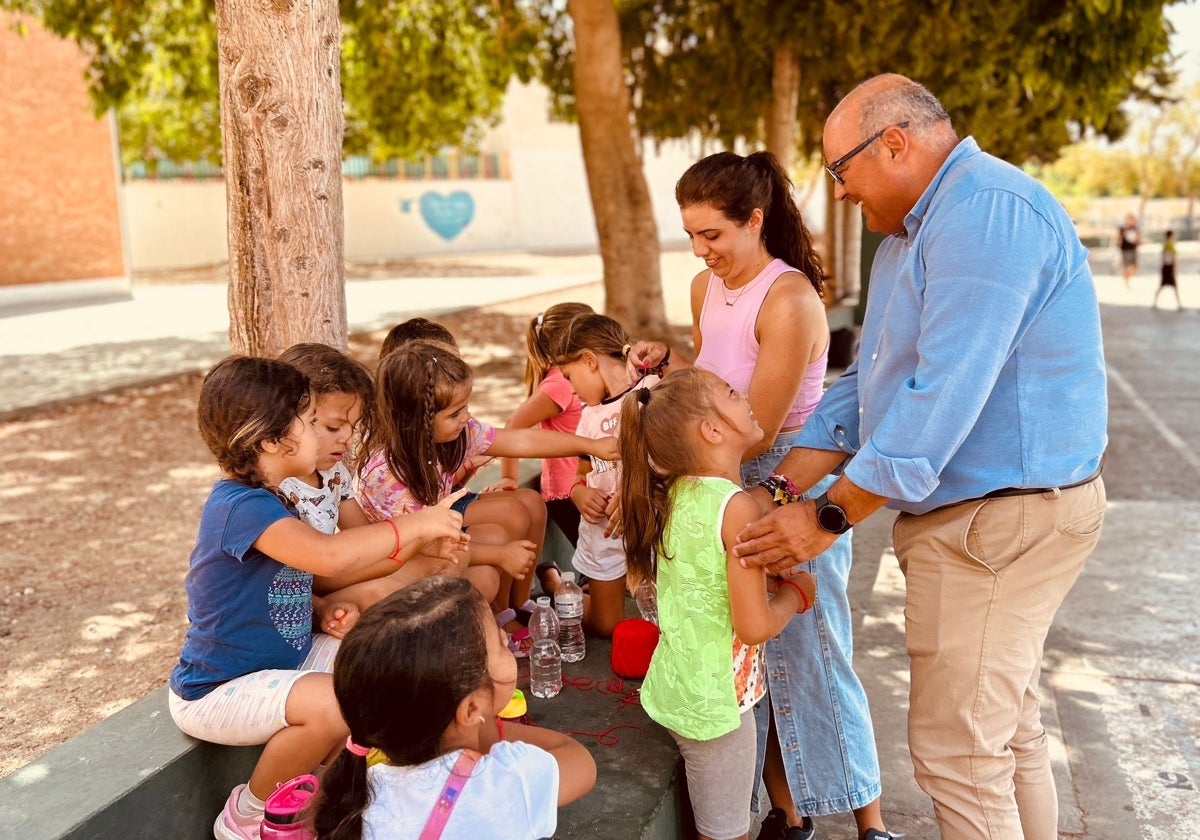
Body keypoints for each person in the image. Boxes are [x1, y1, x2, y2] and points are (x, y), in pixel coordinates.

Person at [734, 74, 1108, 840]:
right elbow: (866, 387)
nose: (838, 194)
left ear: (894, 143)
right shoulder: (911, 235)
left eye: (841, 171)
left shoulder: (982, 215)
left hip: (1000, 523)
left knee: (958, 760)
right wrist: (781, 485)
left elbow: (938, 402)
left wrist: (828, 517)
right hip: (987, 520)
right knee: (1005, 735)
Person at [628, 149, 894, 840]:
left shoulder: (791, 298)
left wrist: (656, 451)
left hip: (784, 474)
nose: (700, 249)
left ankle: (871, 819)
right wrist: (667, 368)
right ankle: (787, 811)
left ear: (754, 220)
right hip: (721, 473)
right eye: (690, 234)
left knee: (814, 654)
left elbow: (755, 426)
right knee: (749, 657)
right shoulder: (701, 287)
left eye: (712, 233)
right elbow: (713, 383)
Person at [167, 356, 466, 840]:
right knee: (331, 703)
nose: (322, 434)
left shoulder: (275, 497)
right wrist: (417, 524)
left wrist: (321, 608)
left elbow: (278, 585)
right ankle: (248, 816)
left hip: (284, 662)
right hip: (217, 689)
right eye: (309, 422)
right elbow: (327, 557)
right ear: (271, 440)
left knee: (376, 656)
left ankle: (322, 787)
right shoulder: (238, 506)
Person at [619, 368, 816, 840]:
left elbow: (705, 573)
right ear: (711, 430)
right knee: (725, 834)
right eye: (731, 392)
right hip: (717, 708)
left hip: (676, 685)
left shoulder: (679, 494)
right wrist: (794, 595)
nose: (744, 394)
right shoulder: (738, 509)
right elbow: (752, 626)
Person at [312, 575, 597, 840]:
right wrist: (488, 727)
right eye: (499, 643)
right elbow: (580, 761)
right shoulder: (508, 779)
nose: (507, 638)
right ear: (471, 710)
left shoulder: (357, 795)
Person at [355, 339, 619, 621]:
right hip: (406, 560)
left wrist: (589, 446)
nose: (467, 417)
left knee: (528, 503)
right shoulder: (388, 476)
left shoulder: (454, 433)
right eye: (456, 413)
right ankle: (500, 616)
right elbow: (423, 549)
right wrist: (499, 554)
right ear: (419, 419)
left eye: (466, 407)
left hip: (439, 524)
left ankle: (516, 607)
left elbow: (520, 440)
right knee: (492, 558)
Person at [542, 312, 662, 638]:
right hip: (604, 532)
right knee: (608, 625)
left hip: (652, 526)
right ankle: (558, 584)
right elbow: (582, 471)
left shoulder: (652, 391)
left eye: (569, 376)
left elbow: (670, 462)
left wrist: (639, 493)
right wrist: (578, 492)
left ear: (590, 361)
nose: (570, 388)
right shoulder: (588, 418)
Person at [486, 302, 595, 547]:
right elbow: (513, 426)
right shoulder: (560, 383)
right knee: (598, 563)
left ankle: (553, 575)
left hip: (586, 485)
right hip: (568, 492)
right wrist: (509, 478)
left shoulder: (581, 373)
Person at [1154, 229, 1181, 310]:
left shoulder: (1166, 245)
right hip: (1169, 268)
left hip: (1165, 267)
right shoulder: (1170, 245)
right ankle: (1179, 305)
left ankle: (1154, 303)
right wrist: (1174, 270)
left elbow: (1163, 258)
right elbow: (1173, 259)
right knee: (1173, 287)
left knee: (1162, 286)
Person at [1117, 212, 1141, 287]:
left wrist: (1138, 241)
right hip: (1125, 249)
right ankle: (1126, 281)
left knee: (1135, 267)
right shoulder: (1123, 228)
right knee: (1127, 266)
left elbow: (1138, 238)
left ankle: (1126, 277)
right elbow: (1119, 238)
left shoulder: (1136, 228)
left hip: (1133, 249)